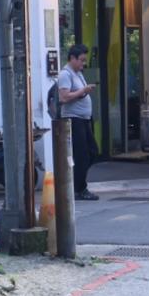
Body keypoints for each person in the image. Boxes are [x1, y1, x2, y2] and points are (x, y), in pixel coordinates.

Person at [58, 44, 100, 200]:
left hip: (83, 119)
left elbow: (76, 94)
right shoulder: (65, 74)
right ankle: (79, 188)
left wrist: (84, 92)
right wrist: (83, 91)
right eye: (81, 60)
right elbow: (64, 97)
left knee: (92, 152)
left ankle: (76, 182)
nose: (83, 64)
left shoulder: (77, 73)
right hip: (73, 119)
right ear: (72, 58)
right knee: (82, 155)